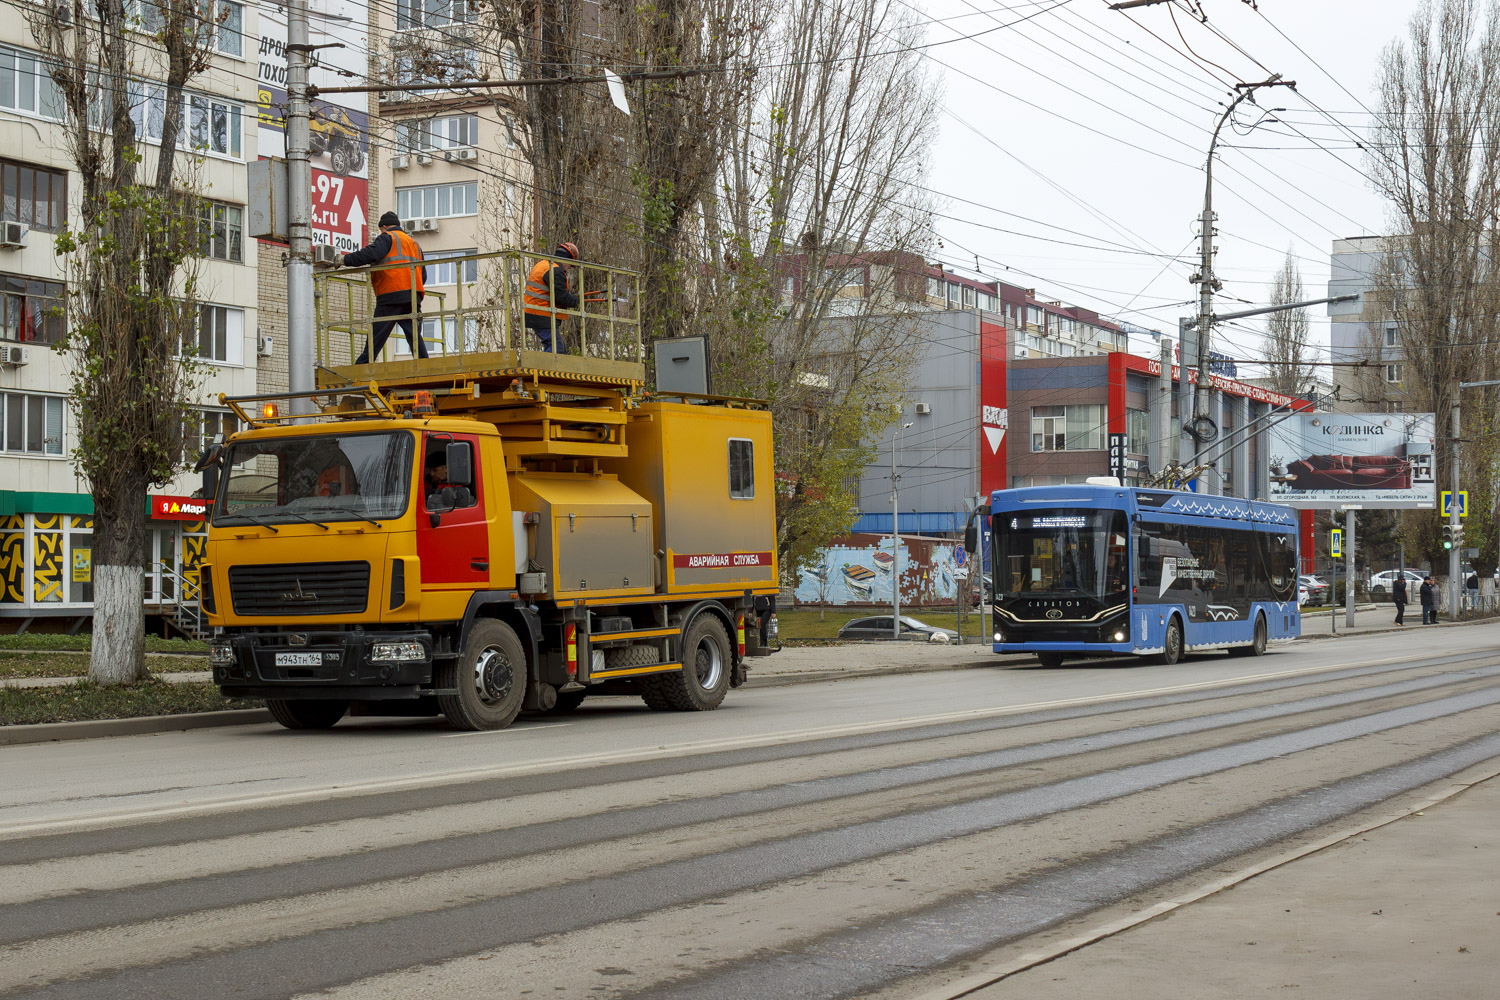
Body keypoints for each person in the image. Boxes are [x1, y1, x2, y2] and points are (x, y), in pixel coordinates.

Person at [340, 212, 430, 364]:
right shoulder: (414, 244)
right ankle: (424, 363)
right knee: (413, 334)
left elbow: (370, 254)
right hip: (413, 295)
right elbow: (424, 275)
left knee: (378, 333)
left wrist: (344, 259)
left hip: (391, 293)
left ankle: (362, 365)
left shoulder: (388, 237)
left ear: (385, 227)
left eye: (382, 229)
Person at [523, 242, 581, 353]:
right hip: (542, 314)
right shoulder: (555, 270)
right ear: (567, 260)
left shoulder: (543, 265)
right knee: (556, 349)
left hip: (535, 312)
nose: (568, 268)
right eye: (571, 265)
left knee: (560, 349)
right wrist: (575, 301)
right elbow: (561, 297)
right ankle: (542, 369)